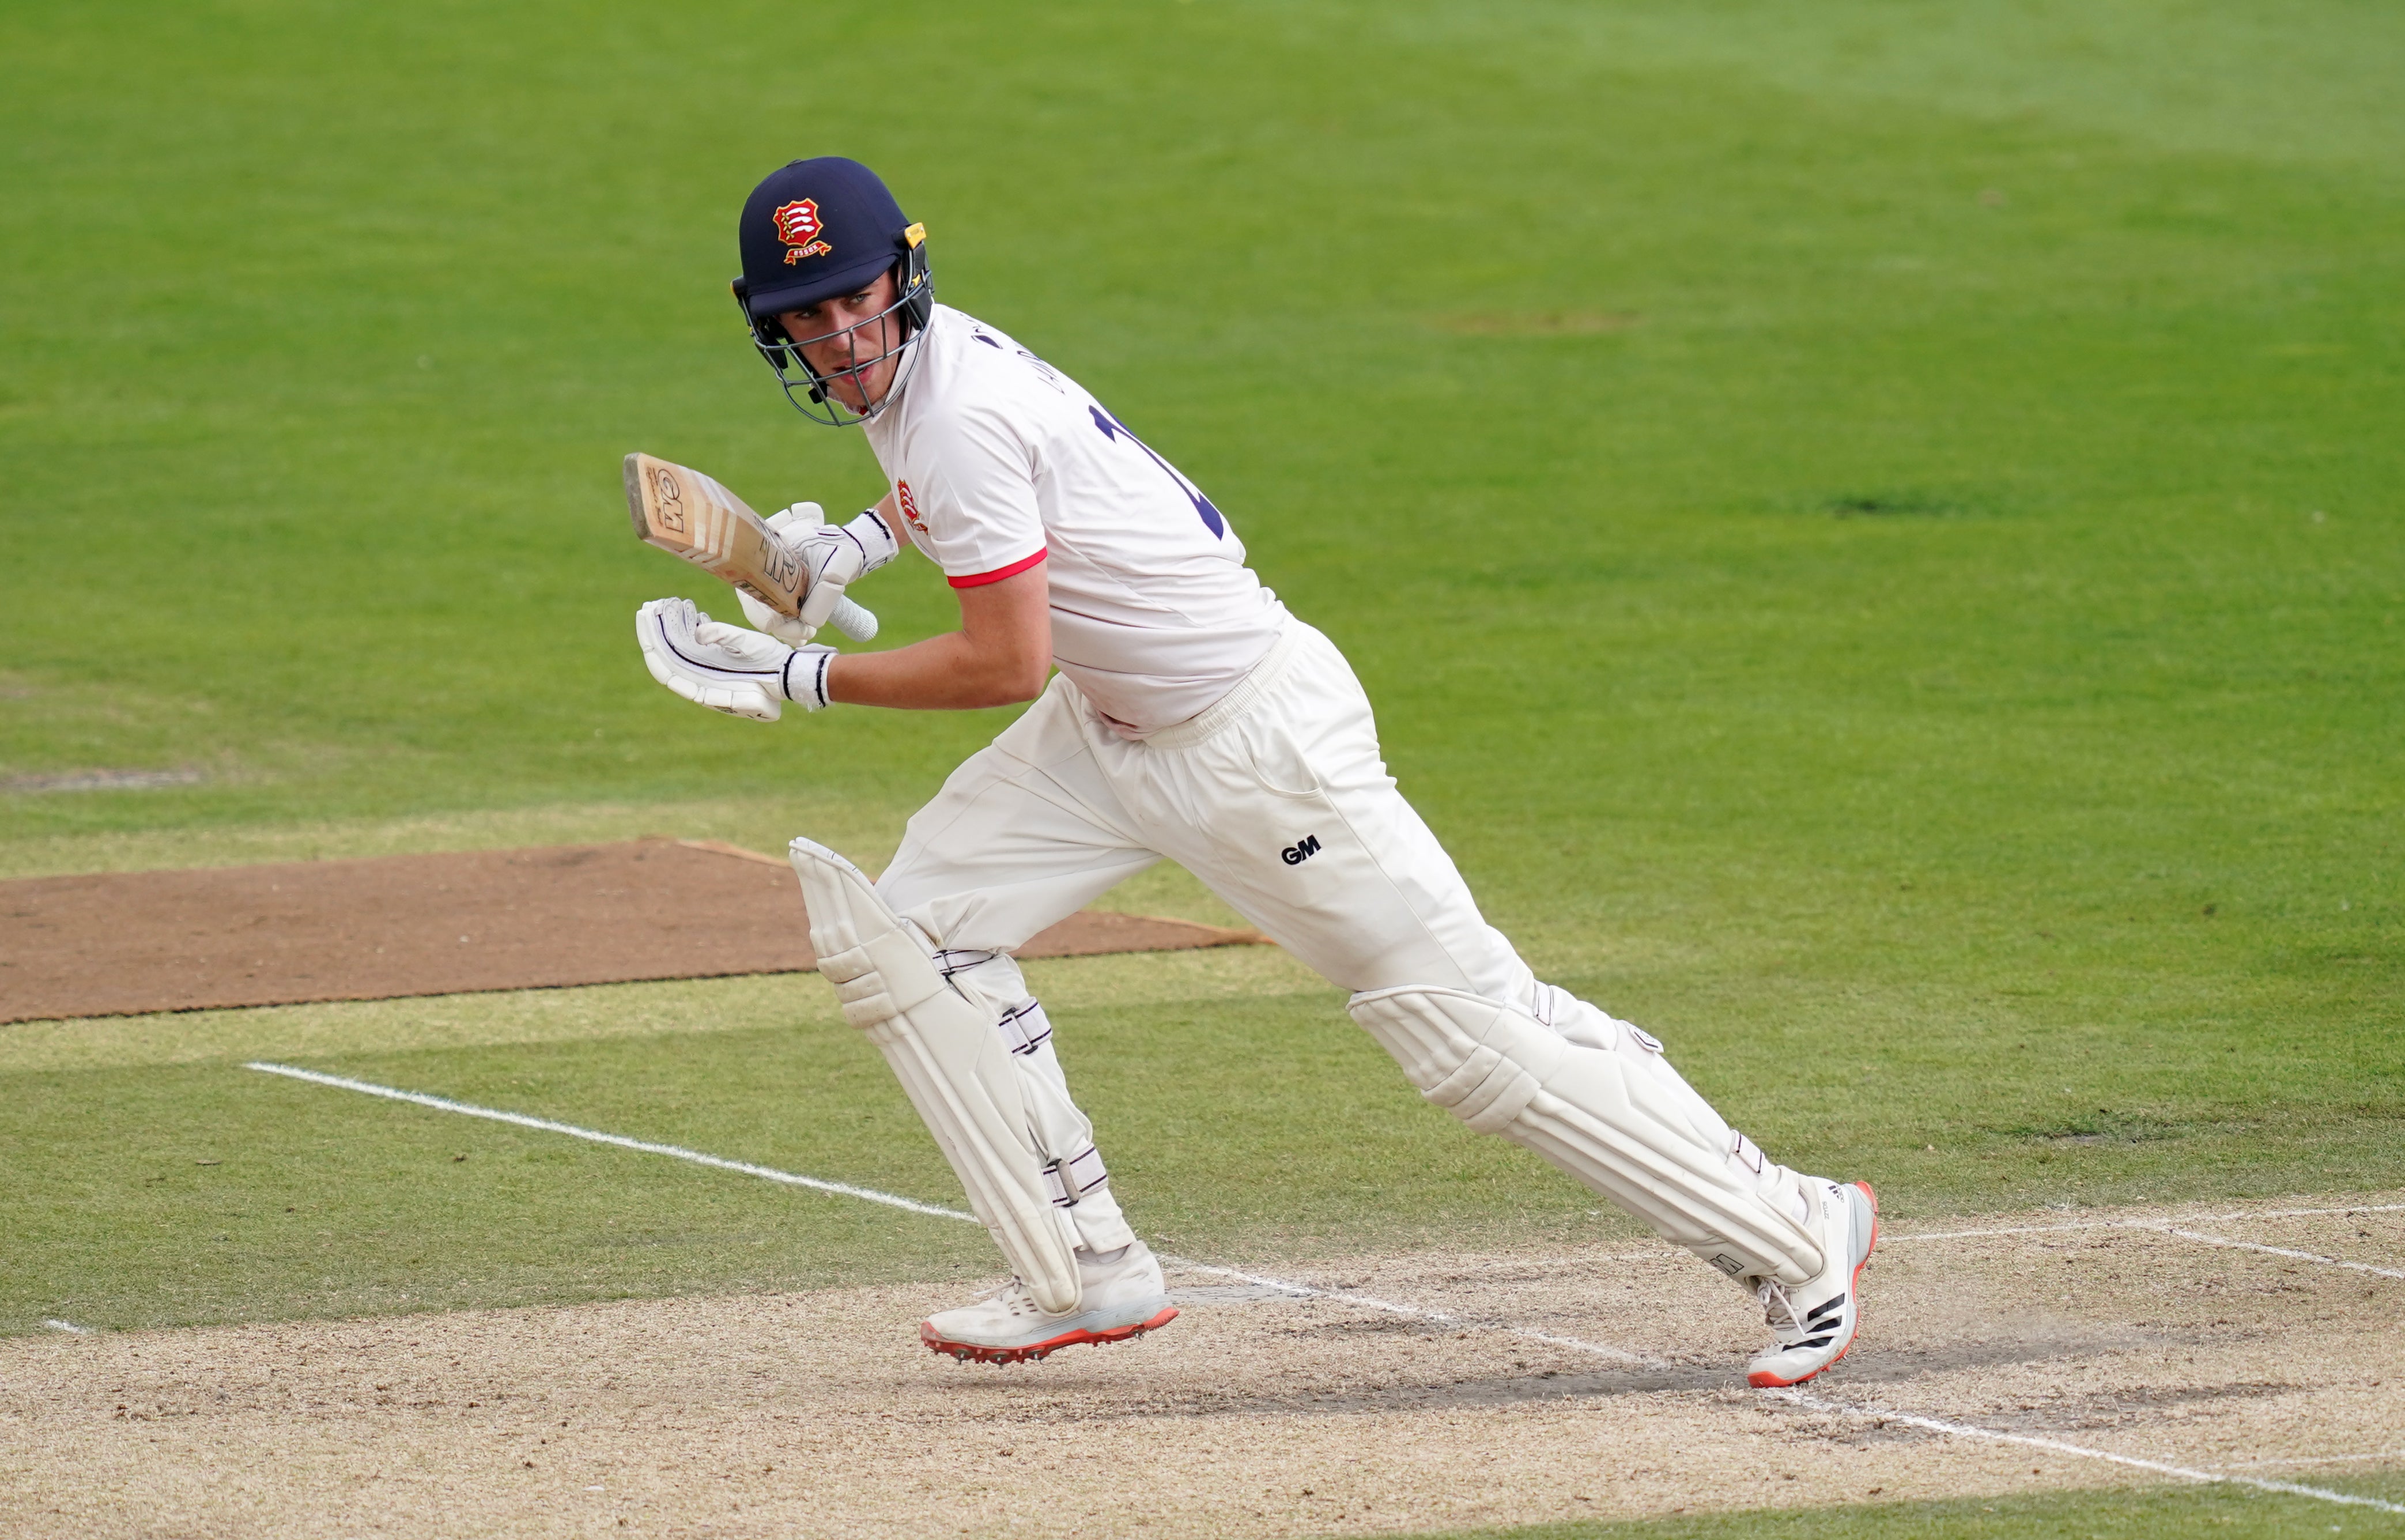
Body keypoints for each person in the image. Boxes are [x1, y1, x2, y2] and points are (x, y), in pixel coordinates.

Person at [633, 157, 1877, 1386]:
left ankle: (1793, 1230)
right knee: (912, 931)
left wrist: (794, 678)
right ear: (775, 329)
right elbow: (983, 497)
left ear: (903, 277)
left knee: (1467, 1029)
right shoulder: (929, 367)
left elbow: (1004, 660)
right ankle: (1083, 1263)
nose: (843, 335)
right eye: (809, 313)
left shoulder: (949, 408)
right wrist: (851, 543)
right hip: (1111, 731)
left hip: (1251, 741)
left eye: (857, 297)